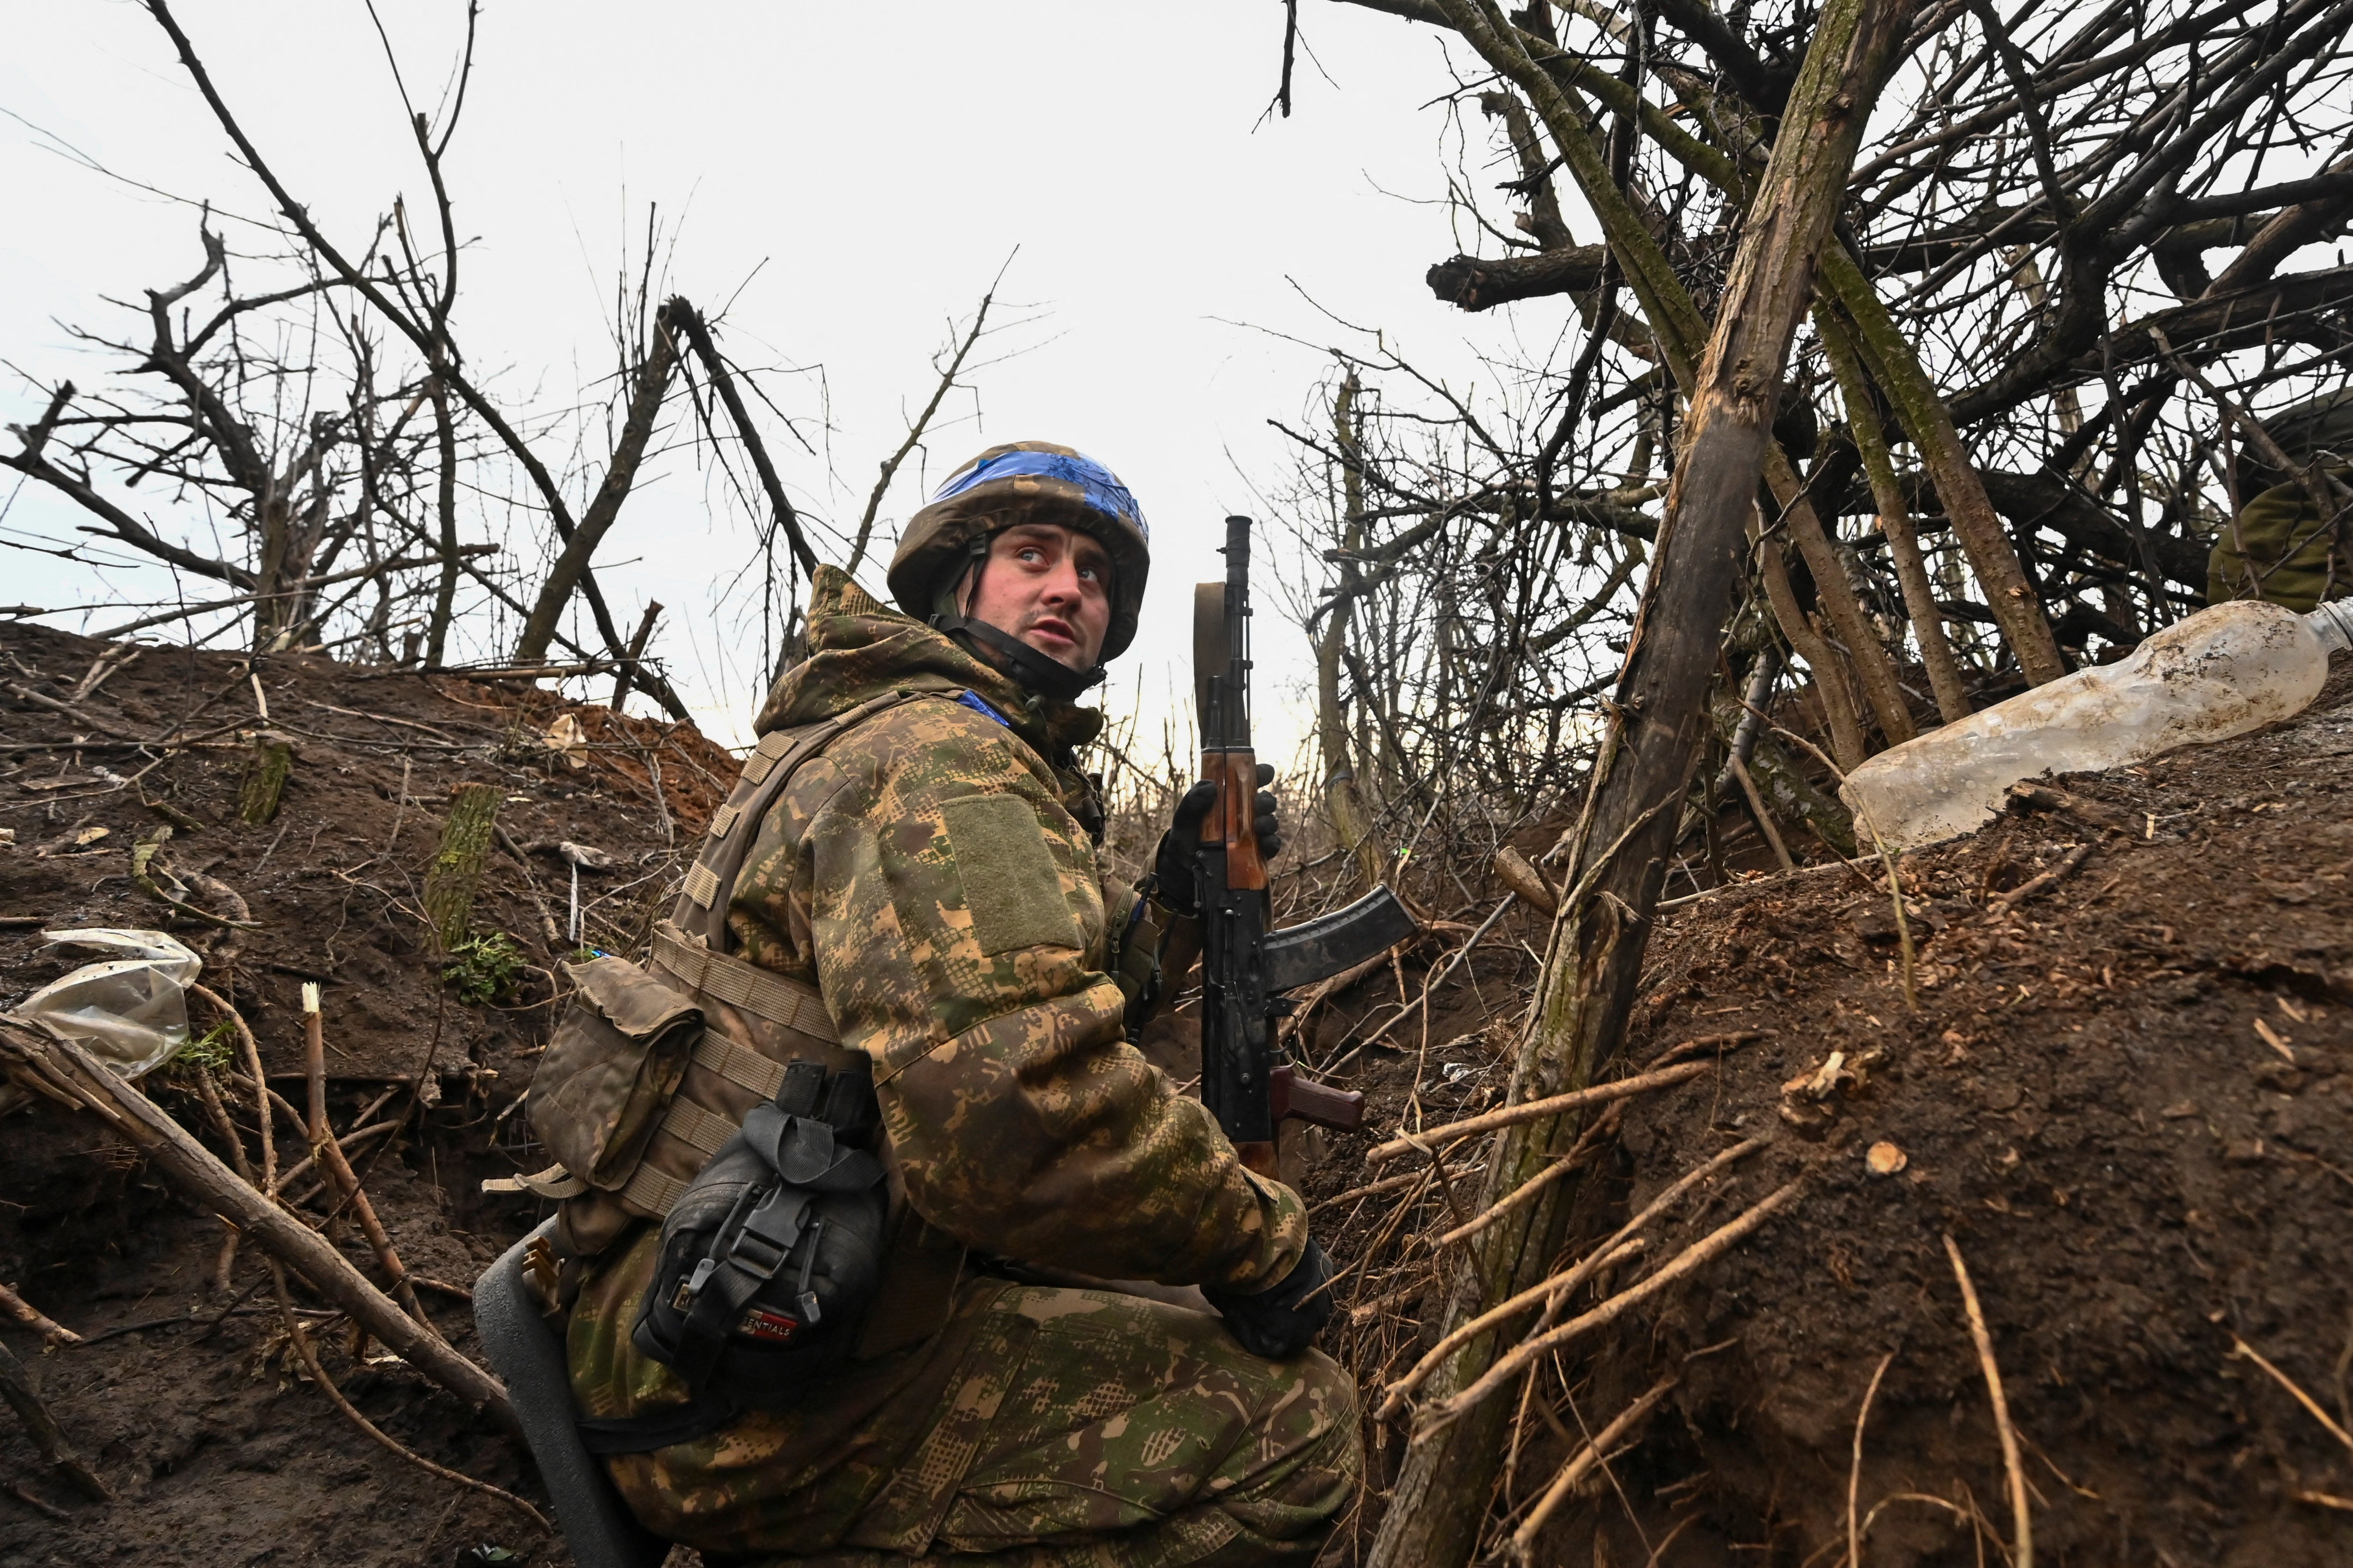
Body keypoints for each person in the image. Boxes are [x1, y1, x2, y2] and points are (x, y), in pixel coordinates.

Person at [561, 441, 1361, 1567]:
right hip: (745, 1394)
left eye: (1093, 573)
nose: (1067, 589)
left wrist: (1178, 898)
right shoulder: (941, 764)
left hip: (713, 1299)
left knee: (1164, 1292)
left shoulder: (881, 727)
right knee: (1300, 1433)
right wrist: (1261, 1242)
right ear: (954, 580)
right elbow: (1023, 1114)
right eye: (1032, 555)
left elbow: (1019, 1006)